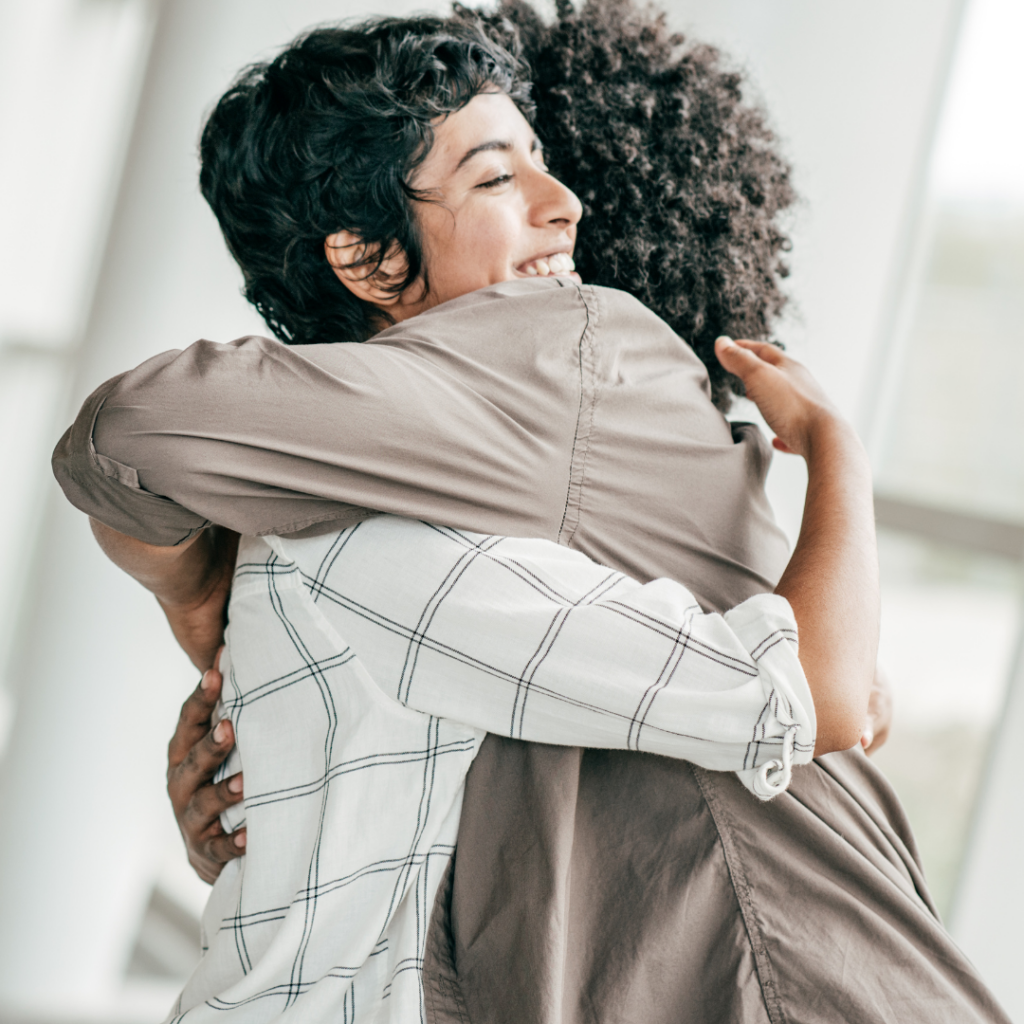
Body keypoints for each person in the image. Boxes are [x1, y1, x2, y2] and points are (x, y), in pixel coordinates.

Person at [52, 3, 1007, 1022]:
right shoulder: (452, 454)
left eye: (539, 162)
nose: (566, 206)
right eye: (500, 175)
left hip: (789, 971)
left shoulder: (563, 351)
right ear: (369, 259)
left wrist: (200, 604)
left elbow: (123, 436)